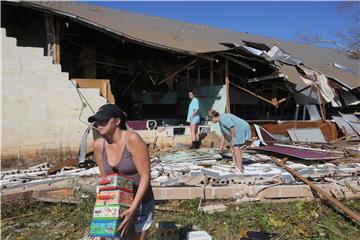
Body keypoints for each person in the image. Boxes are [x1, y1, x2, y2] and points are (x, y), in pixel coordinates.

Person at [89, 104, 154, 240]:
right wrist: (102, 215)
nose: (99, 124)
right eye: (97, 121)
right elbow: (105, 179)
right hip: (116, 204)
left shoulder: (132, 139)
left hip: (140, 202)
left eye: (104, 120)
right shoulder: (98, 145)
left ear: (117, 121)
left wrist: (133, 209)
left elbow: (145, 176)